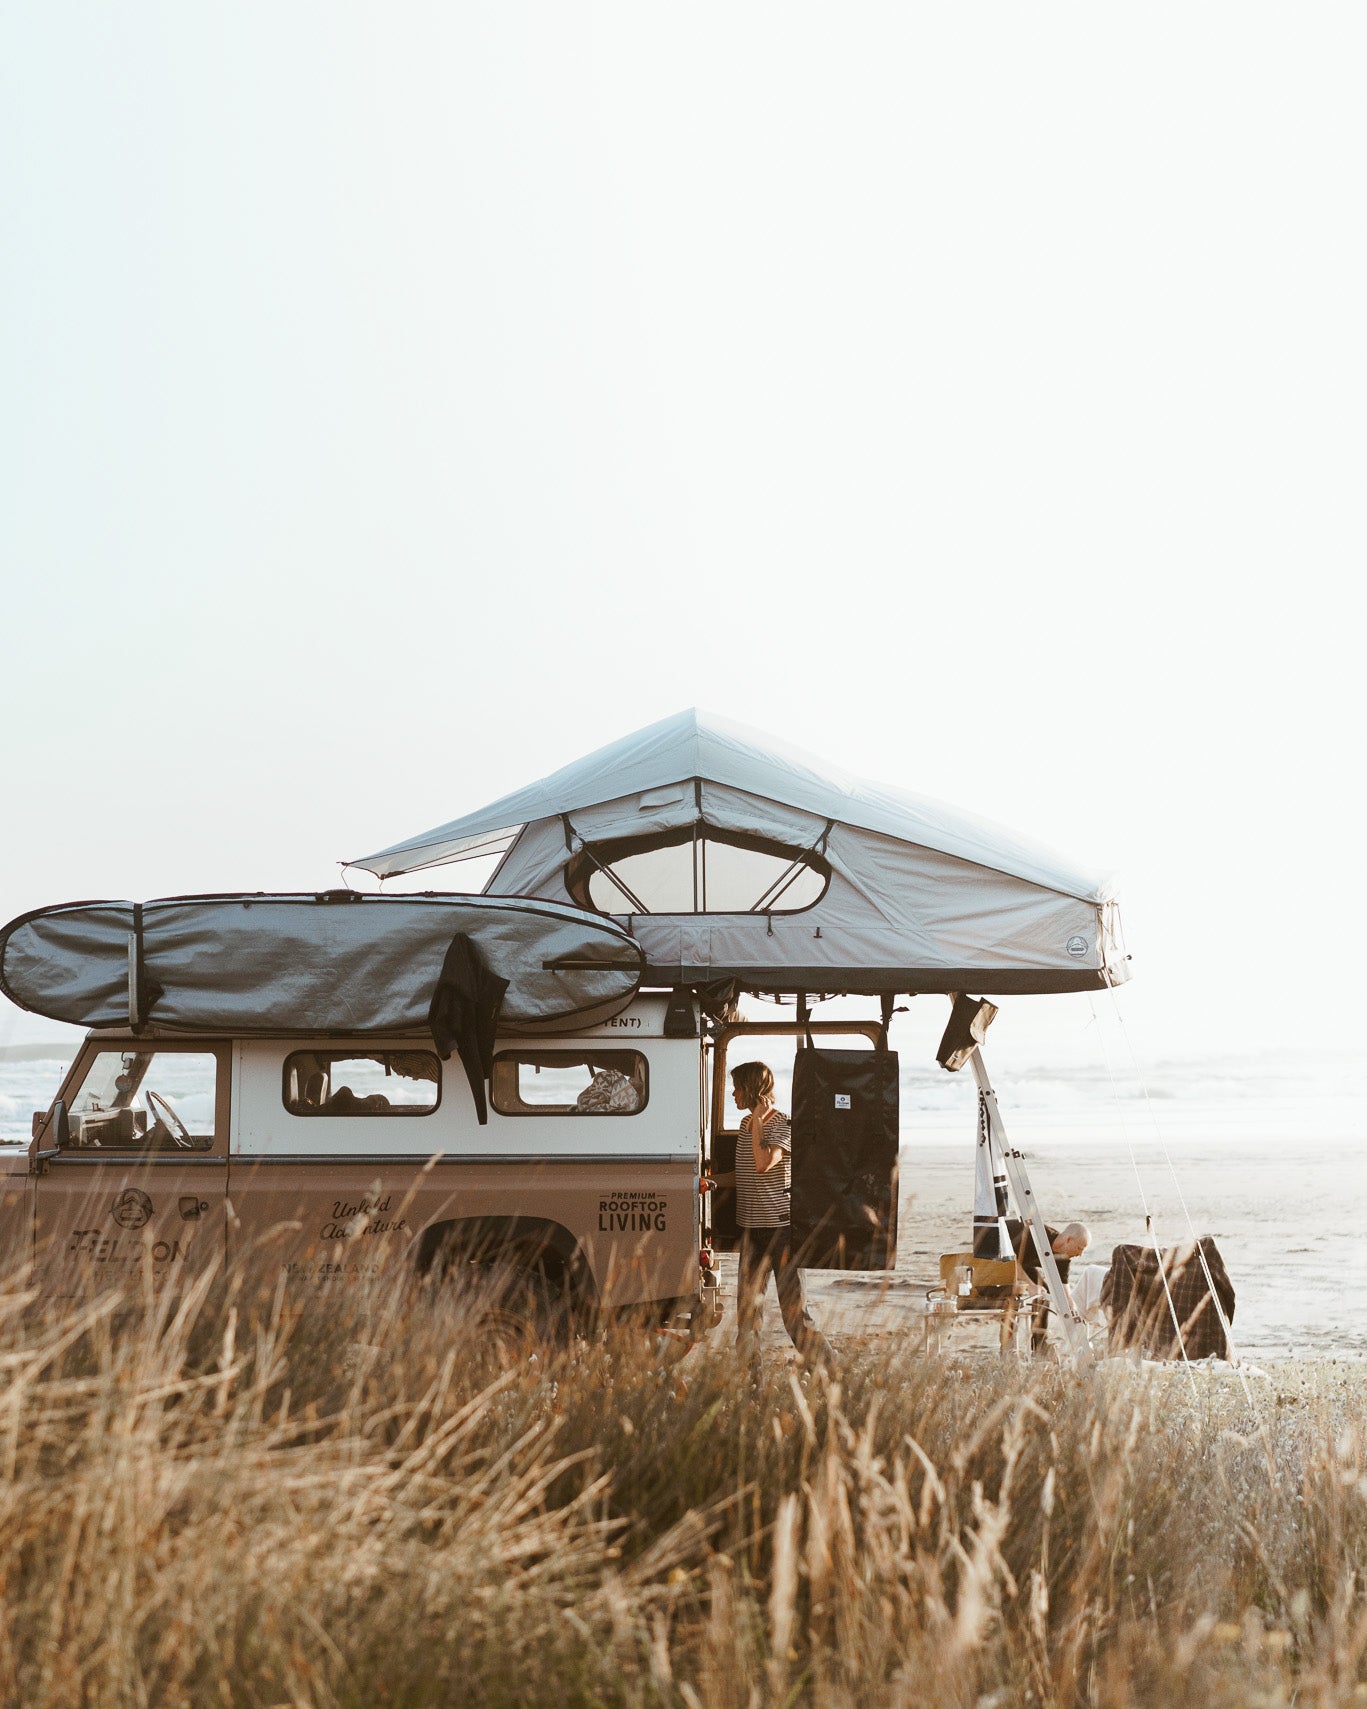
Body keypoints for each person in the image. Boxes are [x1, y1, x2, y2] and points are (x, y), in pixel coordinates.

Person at [700, 1060, 834, 1378]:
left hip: (781, 1231)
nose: (733, 1094)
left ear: (755, 1091)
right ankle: (752, 1386)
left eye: (738, 1088)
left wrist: (760, 1119)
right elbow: (746, 1175)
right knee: (747, 1317)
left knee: (794, 1316)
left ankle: (830, 1374)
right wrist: (710, 1181)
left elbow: (763, 1165)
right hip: (751, 1232)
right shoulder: (748, 1125)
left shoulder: (782, 1124)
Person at [1005, 1218, 1090, 1353]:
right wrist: (1030, 1285)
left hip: (1022, 1263)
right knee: (1032, 1288)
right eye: (1080, 1248)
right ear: (1069, 1240)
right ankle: (1008, 1347)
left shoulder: (1064, 1258)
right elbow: (1009, 1261)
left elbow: (1064, 1293)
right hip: (999, 1248)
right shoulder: (1038, 1235)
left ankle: (1039, 1344)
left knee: (1043, 1291)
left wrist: (1077, 1317)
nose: (1080, 1254)